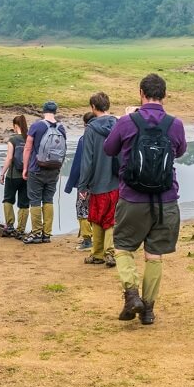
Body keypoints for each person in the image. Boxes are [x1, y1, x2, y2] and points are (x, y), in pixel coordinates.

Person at [102, 73, 187, 325]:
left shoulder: (128, 122)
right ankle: (148, 309)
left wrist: (123, 119)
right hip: (166, 200)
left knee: (123, 247)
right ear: (165, 95)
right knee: (154, 256)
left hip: (132, 198)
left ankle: (131, 294)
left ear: (141, 93)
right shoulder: (176, 124)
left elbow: (109, 149)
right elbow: (180, 151)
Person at [77, 92, 120, 267]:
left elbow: (87, 160)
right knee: (111, 217)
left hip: (97, 182)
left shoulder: (91, 130)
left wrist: (83, 185)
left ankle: (98, 253)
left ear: (93, 107)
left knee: (96, 218)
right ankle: (109, 252)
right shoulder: (119, 125)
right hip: (116, 181)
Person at [22, 101, 68, 244]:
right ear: (55, 111)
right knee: (48, 200)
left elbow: (28, 148)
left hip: (37, 169)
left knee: (35, 200)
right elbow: (64, 150)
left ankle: (36, 233)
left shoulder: (36, 126)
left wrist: (25, 168)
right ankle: (47, 234)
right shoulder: (62, 128)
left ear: (43, 111)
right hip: (54, 169)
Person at [63, 112, 96, 252]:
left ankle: (87, 240)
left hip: (85, 182)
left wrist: (70, 184)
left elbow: (77, 164)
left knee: (82, 209)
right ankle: (98, 239)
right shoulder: (104, 138)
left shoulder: (84, 140)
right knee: (97, 209)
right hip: (101, 182)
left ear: (85, 124)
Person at [0, 115, 30, 237]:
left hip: (12, 176)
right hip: (27, 176)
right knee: (24, 203)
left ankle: (10, 225)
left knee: (8, 199)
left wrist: (2, 173)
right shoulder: (30, 138)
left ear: (15, 126)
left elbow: (9, 158)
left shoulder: (12, 140)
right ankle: (21, 229)